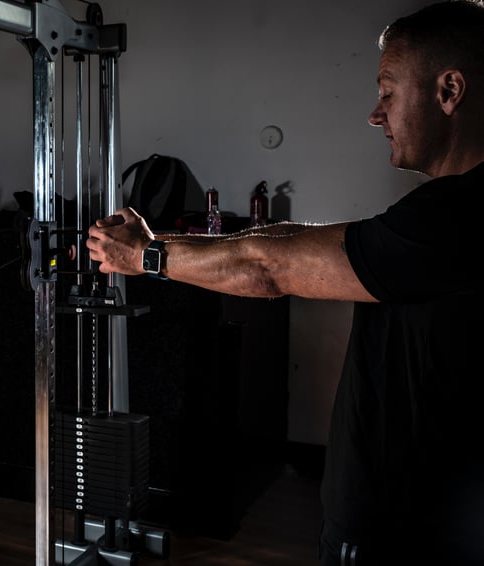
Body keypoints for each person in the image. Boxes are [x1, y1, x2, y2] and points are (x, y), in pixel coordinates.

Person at [86, 2, 484, 564]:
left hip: (408, 530)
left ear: (449, 91)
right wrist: (157, 245)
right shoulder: (446, 214)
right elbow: (293, 242)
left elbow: (269, 269)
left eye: (389, 92)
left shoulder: (453, 217)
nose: (376, 114)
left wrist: (146, 258)